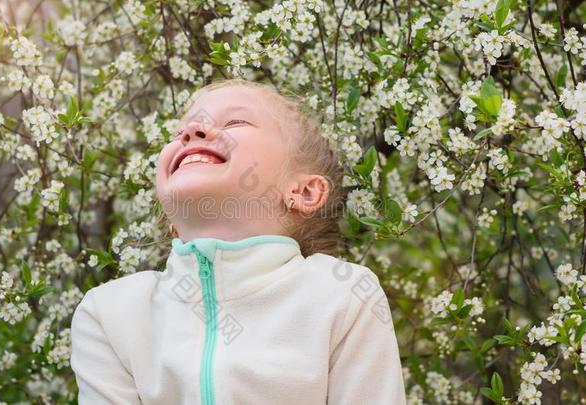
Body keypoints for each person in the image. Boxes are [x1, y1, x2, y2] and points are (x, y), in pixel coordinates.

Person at [70, 78, 406, 404]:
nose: (191, 132)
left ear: (303, 192)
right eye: (180, 131)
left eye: (236, 121)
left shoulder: (342, 298)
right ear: (171, 222)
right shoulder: (110, 314)